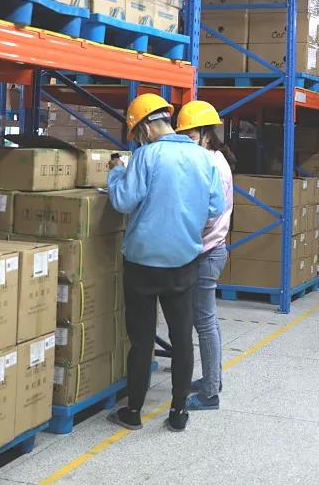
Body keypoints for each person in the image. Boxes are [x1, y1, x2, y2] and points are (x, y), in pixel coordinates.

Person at [106, 93, 225, 433]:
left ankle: (133, 412)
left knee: (142, 339)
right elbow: (215, 207)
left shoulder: (145, 156)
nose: (138, 140)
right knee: (182, 337)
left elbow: (123, 201)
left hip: (142, 263)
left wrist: (116, 174)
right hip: (184, 261)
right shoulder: (203, 157)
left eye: (137, 133)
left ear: (145, 127)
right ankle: (178, 412)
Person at [174, 100, 235, 411]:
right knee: (206, 319)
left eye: (190, 137)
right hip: (210, 249)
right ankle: (213, 379)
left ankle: (210, 393)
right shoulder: (213, 159)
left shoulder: (212, 166)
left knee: (205, 321)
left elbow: (208, 214)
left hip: (207, 252)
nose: (187, 143)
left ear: (206, 136)